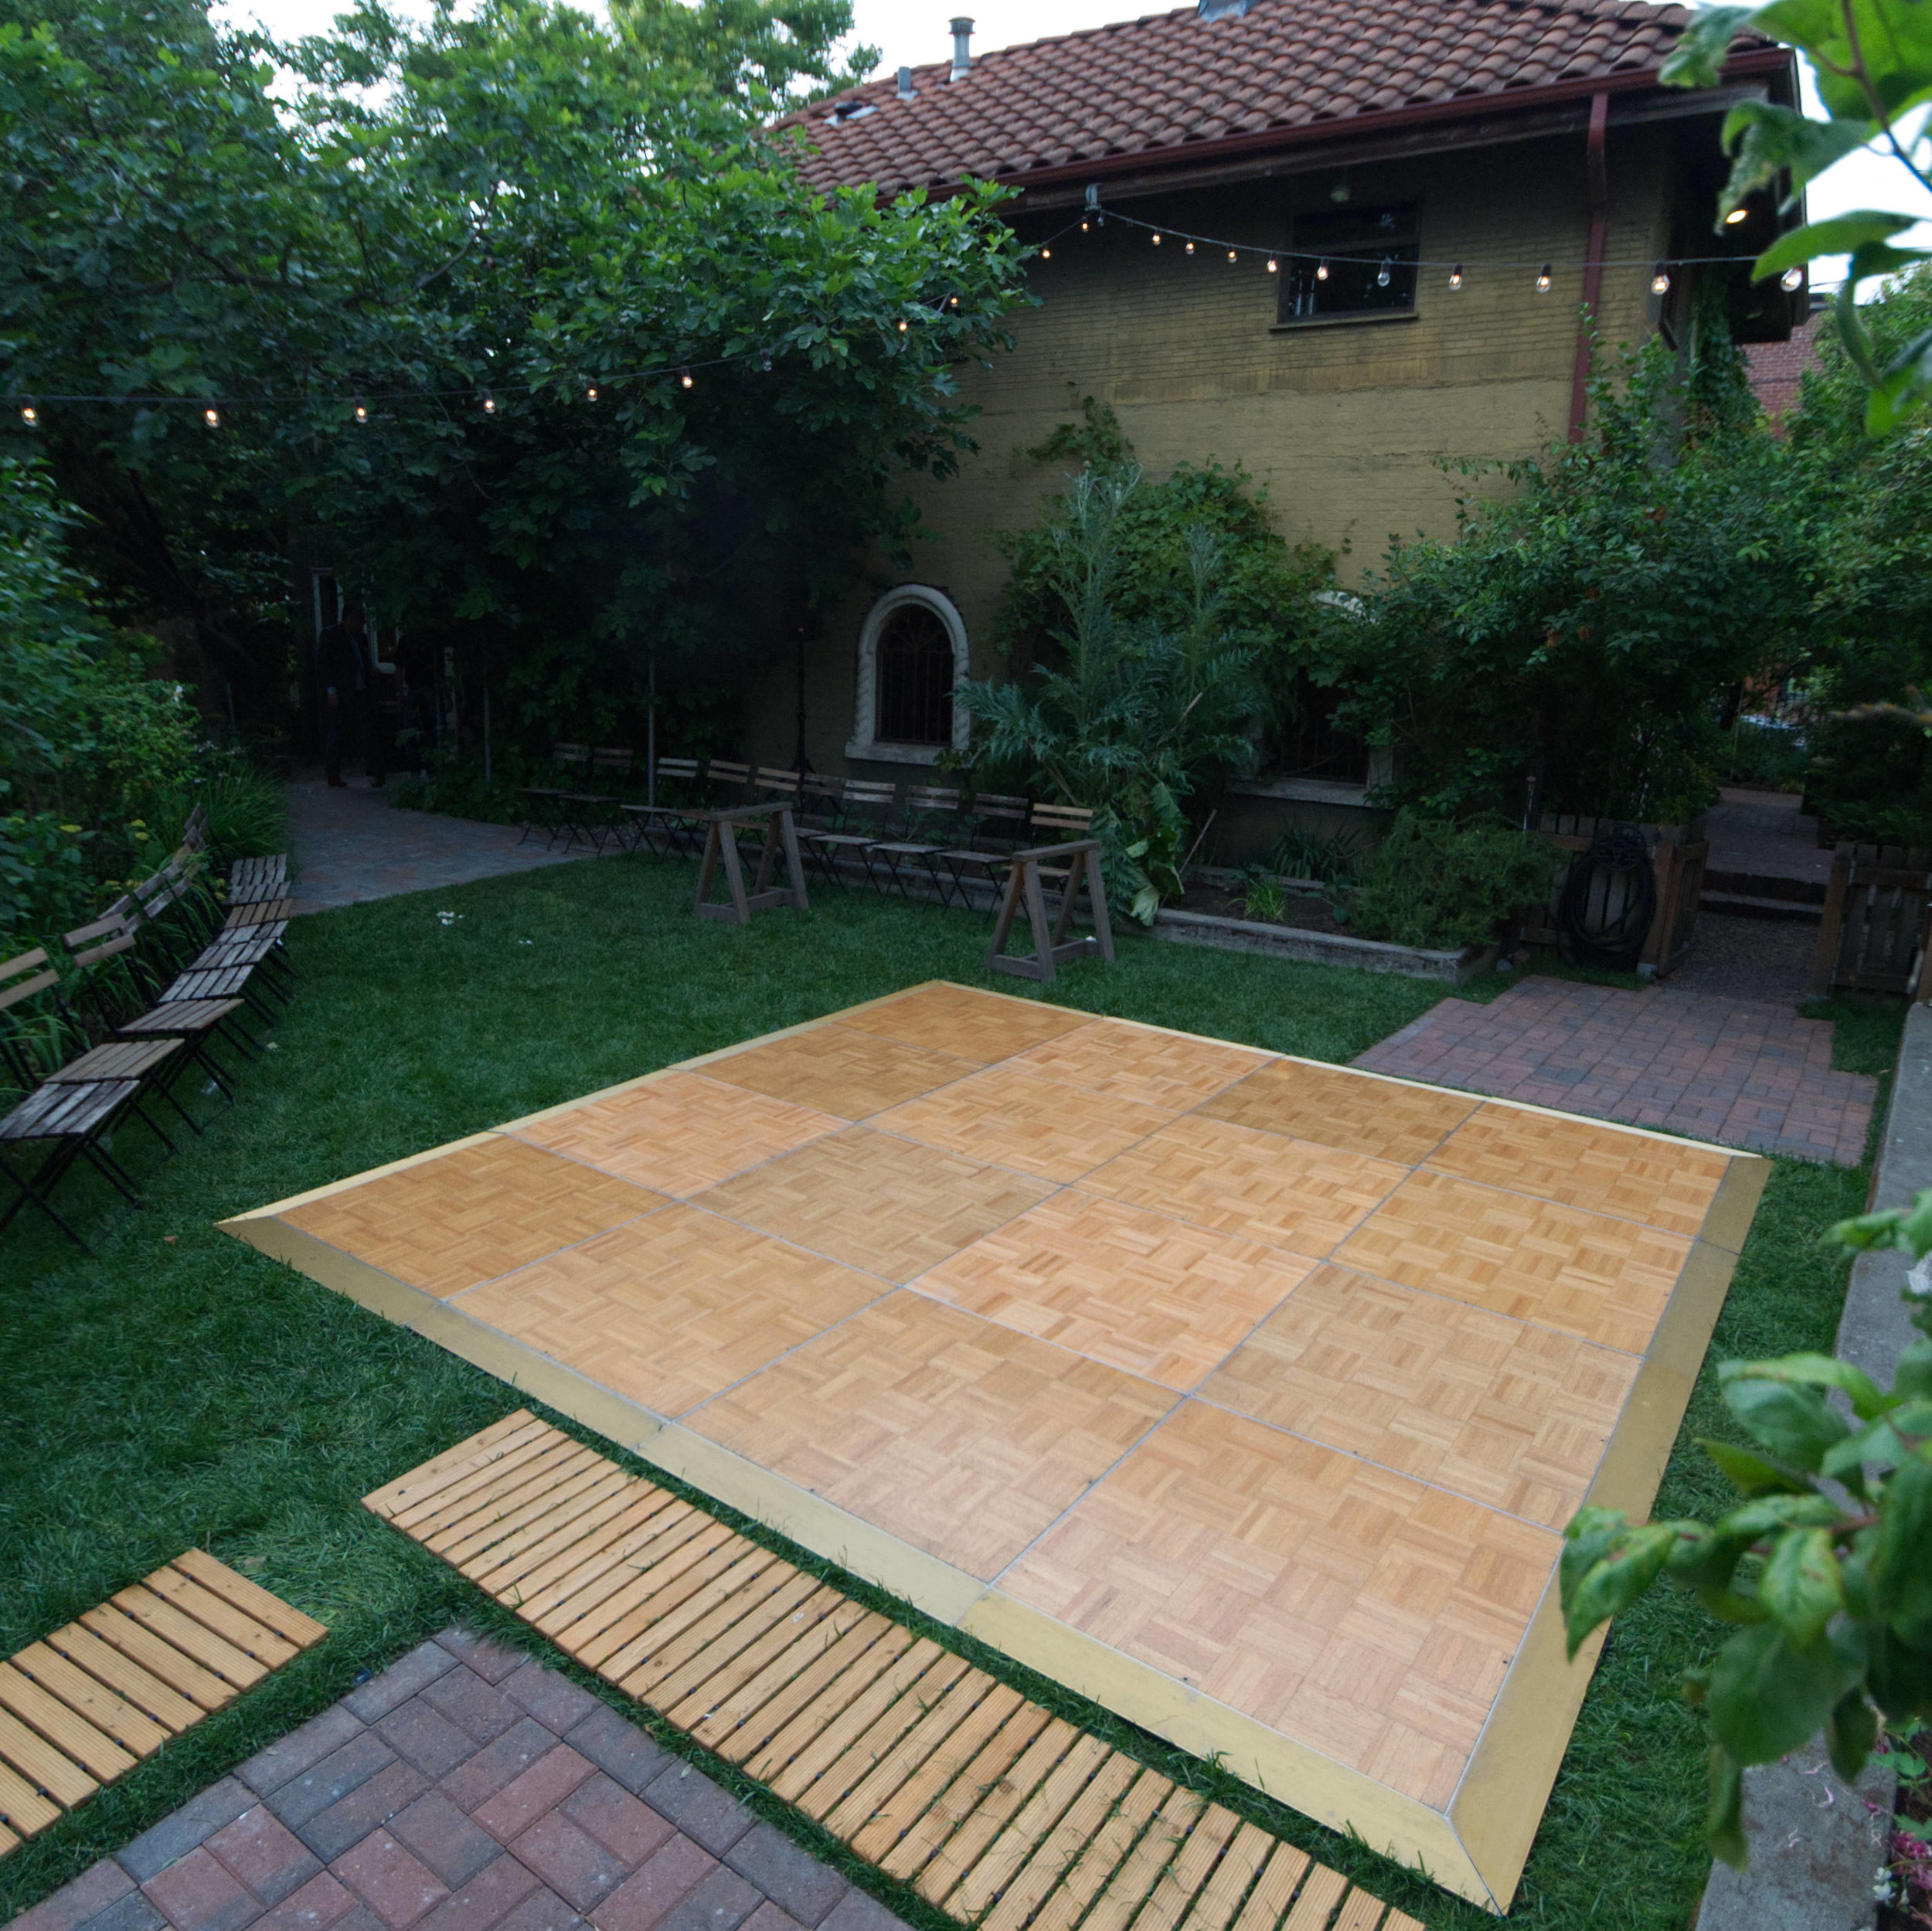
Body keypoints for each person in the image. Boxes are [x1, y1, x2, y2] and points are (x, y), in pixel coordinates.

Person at [317, 603, 386, 787]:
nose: (362, 623)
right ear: (350, 618)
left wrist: (370, 670)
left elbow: (364, 659)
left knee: (368, 731)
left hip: (360, 691)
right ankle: (333, 773)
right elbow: (324, 664)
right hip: (341, 691)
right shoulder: (331, 636)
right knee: (336, 733)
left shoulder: (360, 638)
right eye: (360, 619)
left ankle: (377, 772)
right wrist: (330, 689)